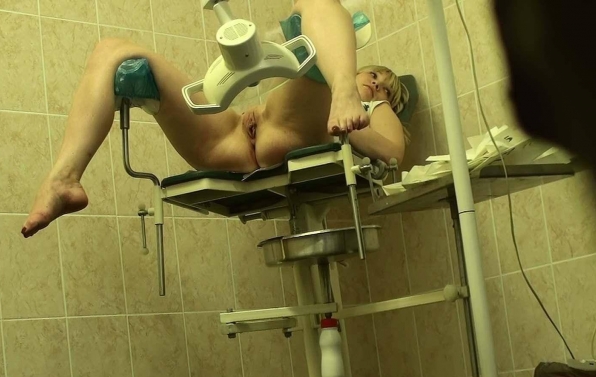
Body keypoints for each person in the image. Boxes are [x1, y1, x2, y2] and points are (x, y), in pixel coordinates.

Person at [22, 0, 410, 237]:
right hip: (231, 139)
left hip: (296, 131)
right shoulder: (322, 64)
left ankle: (340, 88)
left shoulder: (371, 110)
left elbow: (393, 152)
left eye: (384, 90)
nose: (377, 86)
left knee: (316, 1)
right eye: (373, 76)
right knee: (112, 50)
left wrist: (348, 121)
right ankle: (63, 179)